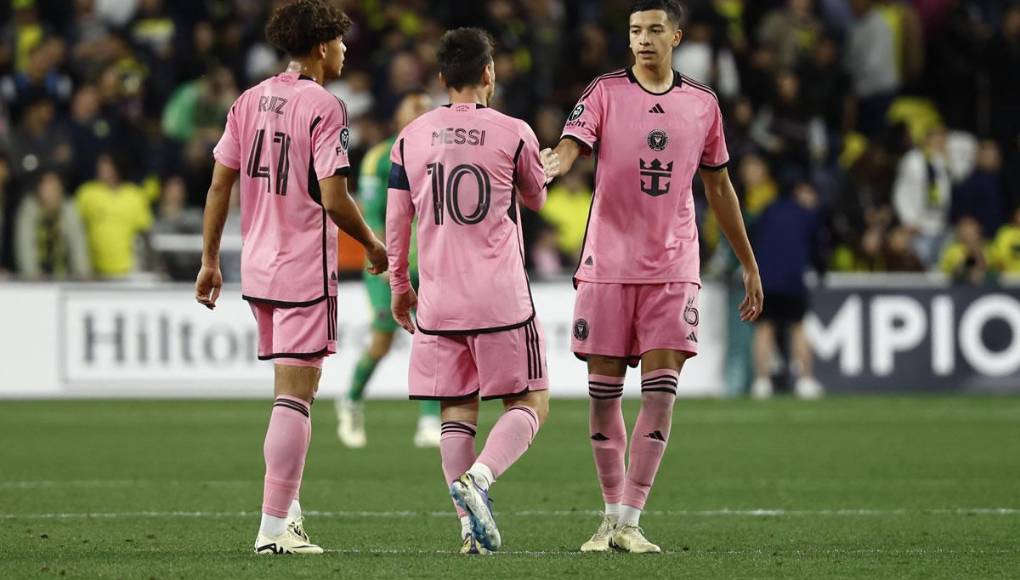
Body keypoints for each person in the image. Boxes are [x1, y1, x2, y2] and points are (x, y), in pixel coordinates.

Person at [541, 0, 763, 554]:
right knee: (602, 395)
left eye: (654, 29)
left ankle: (631, 519)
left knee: (660, 393)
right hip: (607, 265)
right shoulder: (605, 91)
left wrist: (747, 261)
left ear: (676, 36)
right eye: (635, 30)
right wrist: (556, 162)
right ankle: (609, 515)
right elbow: (575, 143)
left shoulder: (703, 104)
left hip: (672, 265)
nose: (642, 39)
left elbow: (719, 187)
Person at [195, 0, 386, 556]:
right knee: (296, 398)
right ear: (323, 46)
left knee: (292, 391)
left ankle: (289, 511)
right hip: (303, 268)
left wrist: (210, 260)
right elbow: (333, 196)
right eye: (342, 42)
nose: (346, 50)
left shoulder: (247, 101)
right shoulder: (326, 107)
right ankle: (275, 527)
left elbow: (218, 187)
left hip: (257, 265)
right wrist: (372, 242)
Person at [386, 28, 550, 555]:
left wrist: (399, 284)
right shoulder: (515, 131)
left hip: (439, 299)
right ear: (488, 74)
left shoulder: (410, 136)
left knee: (456, 413)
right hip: (501, 298)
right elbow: (537, 198)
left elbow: (398, 220)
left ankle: (468, 533)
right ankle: (479, 480)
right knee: (530, 401)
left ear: (440, 79)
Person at [335, 90, 441, 449]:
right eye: (412, 108)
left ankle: (429, 420)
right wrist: (388, 260)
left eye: (425, 109)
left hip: (429, 265)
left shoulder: (441, 155)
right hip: (387, 265)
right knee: (382, 341)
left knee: (431, 340)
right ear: (397, 118)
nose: (419, 113)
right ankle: (350, 401)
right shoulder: (380, 158)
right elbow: (374, 215)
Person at [750, 182, 824, 399]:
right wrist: (820, 270)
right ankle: (806, 381)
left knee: (764, 328)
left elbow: (751, 237)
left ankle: (761, 382)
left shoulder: (767, 211)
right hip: (793, 280)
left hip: (765, 279)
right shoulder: (806, 215)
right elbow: (818, 247)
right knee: (798, 328)